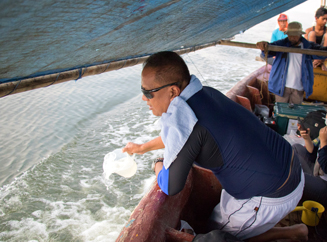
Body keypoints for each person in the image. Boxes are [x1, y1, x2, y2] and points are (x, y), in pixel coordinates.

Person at [123, 51, 308, 241]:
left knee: (220, 234)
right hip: (289, 165)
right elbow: (178, 136)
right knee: (223, 220)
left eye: (148, 93)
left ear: (172, 92)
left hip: (273, 194)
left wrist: (157, 164)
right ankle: (295, 231)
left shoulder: (189, 125)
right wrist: (141, 148)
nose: (145, 99)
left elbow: (170, 185)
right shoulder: (205, 94)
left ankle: (293, 233)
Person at [257, 21, 327, 104]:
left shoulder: (308, 46)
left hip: (299, 87)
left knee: (294, 114)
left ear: (300, 35)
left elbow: (321, 52)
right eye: (291, 35)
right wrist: (264, 47)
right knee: (281, 112)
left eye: (295, 35)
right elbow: (268, 52)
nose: (293, 38)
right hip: (281, 87)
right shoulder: (281, 44)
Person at [305, 7, 327, 71]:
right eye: (323, 19)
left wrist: (321, 59)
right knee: (312, 34)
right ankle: (314, 61)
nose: (325, 21)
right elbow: (305, 47)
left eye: (326, 19)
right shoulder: (308, 30)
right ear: (316, 18)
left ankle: (320, 62)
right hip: (312, 57)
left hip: (324, 58)